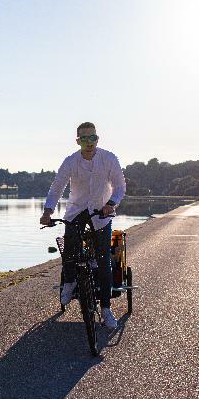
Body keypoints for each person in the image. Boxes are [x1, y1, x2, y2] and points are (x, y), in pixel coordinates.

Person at [40, 122, 126, 329]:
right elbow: (57, 187)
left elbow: (120, 186)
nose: (90, 142)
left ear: (98, 139)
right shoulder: (71, 161)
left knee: (104, 260)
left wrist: (110, 204)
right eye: (85, 139)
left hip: (101, 212)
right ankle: (69, 283)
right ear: (78, 141)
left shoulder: (109, 158)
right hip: (76, 211)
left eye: (93, 138)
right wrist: (48, 211)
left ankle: (106, 309)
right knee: (69, 252)